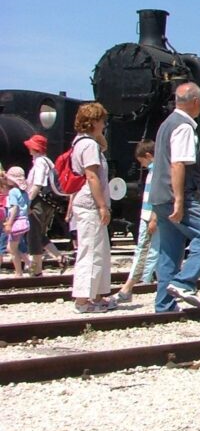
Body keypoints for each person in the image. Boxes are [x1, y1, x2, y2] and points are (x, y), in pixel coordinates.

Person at [150, 82, 200, 312]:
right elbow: (178, 163)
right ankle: (184, 282)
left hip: (159, 197)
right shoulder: (184, 127)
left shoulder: (165, 125)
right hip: (178, 197)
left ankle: (164, 306)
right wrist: (179, 200)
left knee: (170, 252)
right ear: (196, 102)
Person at [68, 102, 117, 314]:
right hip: (90, 204)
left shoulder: (83, 142)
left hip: (88, 203)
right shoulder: (88, 146)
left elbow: (102, 147)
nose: (105, 125)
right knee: (90, 251)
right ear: (94, 121)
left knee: (100, 251)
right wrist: (102, 205)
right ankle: (82, 300)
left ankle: (96, 295)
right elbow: (92, 176)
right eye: (103, 121)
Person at [112, 140, 159, 303]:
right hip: (148, 216)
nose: (143, 165)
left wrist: (154, 216)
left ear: (148, 156)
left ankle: (127, 288)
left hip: (150, 217)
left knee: (143, 251)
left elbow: (158, 196)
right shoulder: (156, 170)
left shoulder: (157, 171)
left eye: (142, 162)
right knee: (153, 251)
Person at [23, 134, 68, 276]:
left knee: (33, 235)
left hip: (39, 202)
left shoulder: (40, 163)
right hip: (48, 203)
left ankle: (36, 271)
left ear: (34, 148)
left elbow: (38, 184)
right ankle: (59, 257)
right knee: (40, 234)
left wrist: (27, 202)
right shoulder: (48, 162)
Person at [3, 166, 31, 276]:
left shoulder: (13, 192)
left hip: (16, 222)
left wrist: (9, 222)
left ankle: (19, 272)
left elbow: (15, 207)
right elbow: (27, 208)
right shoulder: (24, 192)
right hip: (24, 221)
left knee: (11, 248)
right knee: (15, 246)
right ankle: (29, 263)